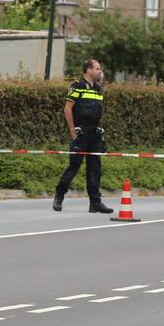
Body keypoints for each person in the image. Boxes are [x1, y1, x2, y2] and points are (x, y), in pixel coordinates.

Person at [52, 59, 113, 214]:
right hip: (81, 133)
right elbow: (67, 108)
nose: (100, 71)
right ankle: (59, 196)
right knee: (74, 166)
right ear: (88, 70)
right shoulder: (77, 86)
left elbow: (98, 112)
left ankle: (95, 202)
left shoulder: (99, 89)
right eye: (97, 68)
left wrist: (101, 133)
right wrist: (73, 131)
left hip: (95, 133)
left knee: (95, 169)